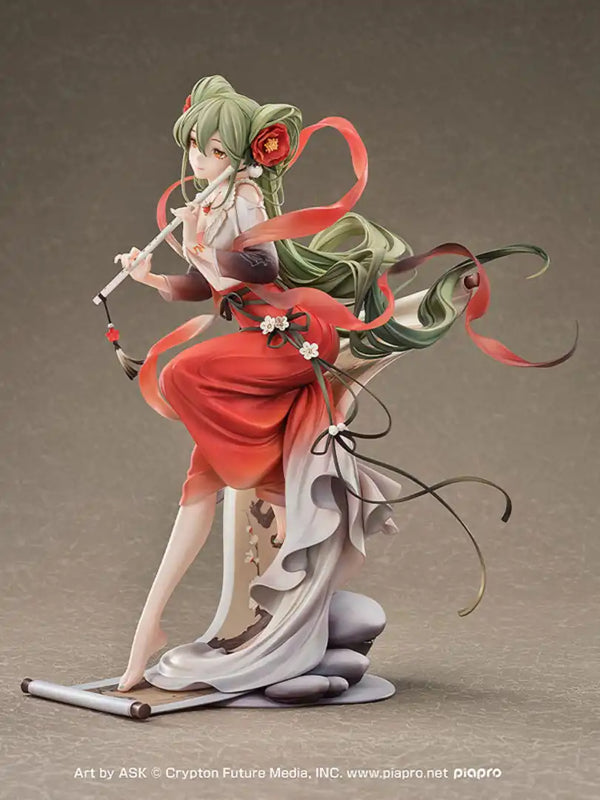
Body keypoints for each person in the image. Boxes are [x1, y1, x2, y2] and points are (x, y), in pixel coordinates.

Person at [112, 76, 576, 694]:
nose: (201, 160)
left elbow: (260, 270)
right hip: (260, 342)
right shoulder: (213, 202)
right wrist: (152, 278)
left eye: (215, 150)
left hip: (295, 336)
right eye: (195, 147)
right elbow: (211, 290)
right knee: (198, 483)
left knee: (182, 372)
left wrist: (199, 249)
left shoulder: (244, 197)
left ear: (245, 154)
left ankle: (271, 498)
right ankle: (147, 632)